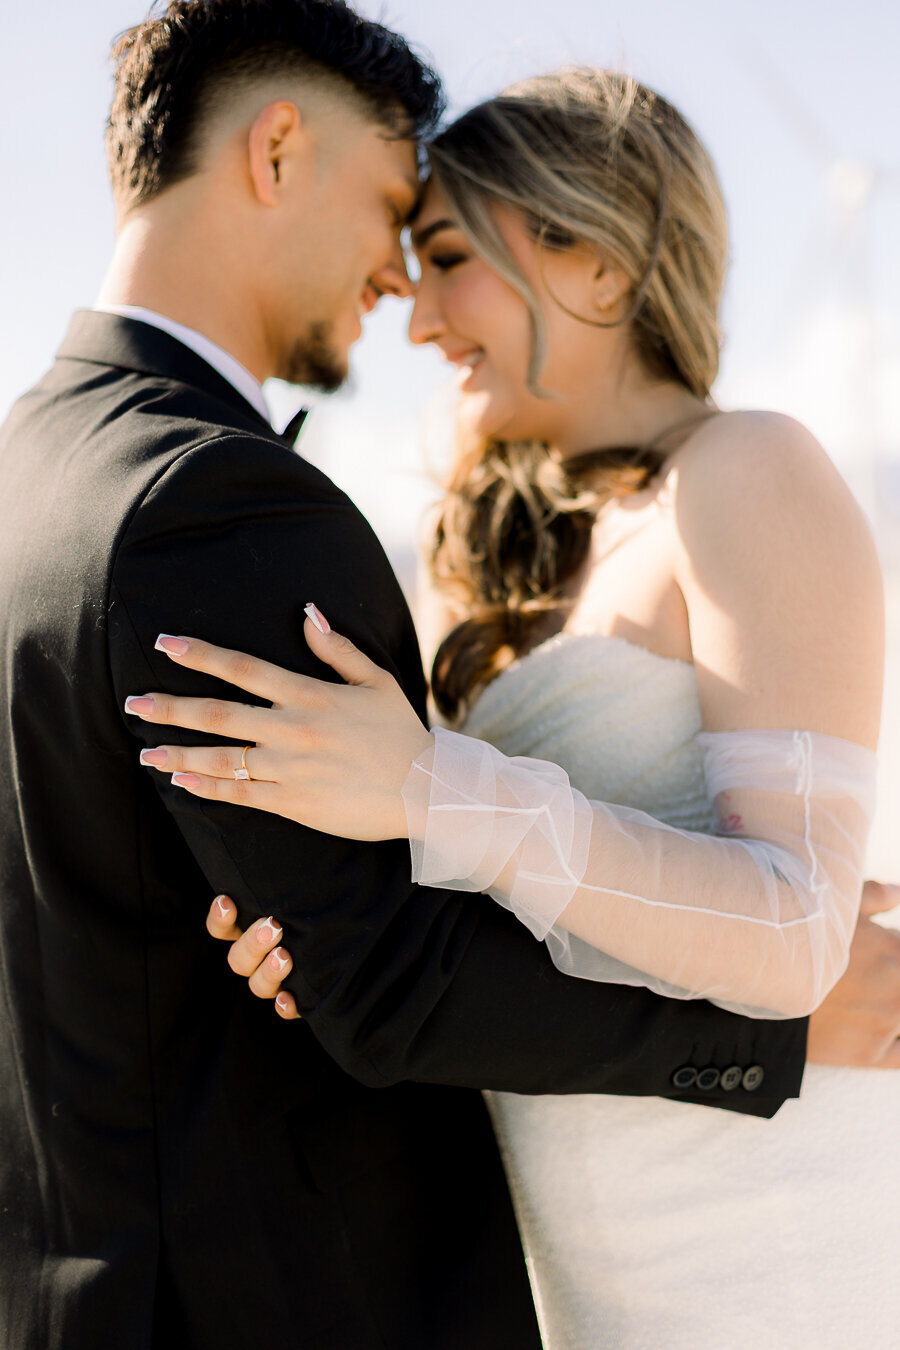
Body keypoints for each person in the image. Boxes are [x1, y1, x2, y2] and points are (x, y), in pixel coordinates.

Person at [3, 7, 866, 1346]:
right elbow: (396, 940)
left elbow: (799, 932)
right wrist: (309, 921)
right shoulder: (455, 558)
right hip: (574, 1252)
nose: (411, 307)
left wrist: (421, 804)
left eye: (447, 251)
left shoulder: (748, 471)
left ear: (591, 254)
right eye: (412, 238)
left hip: (735, 1229)